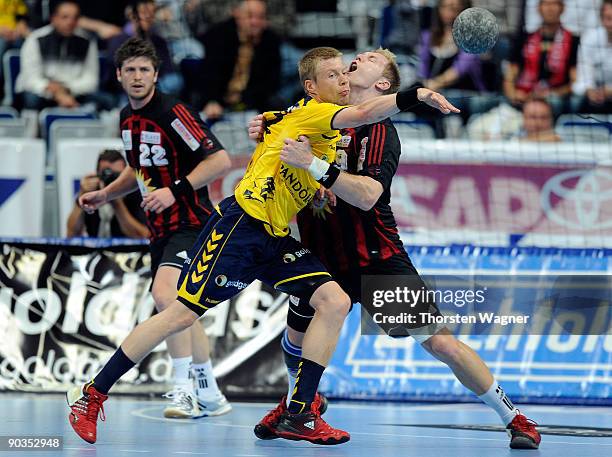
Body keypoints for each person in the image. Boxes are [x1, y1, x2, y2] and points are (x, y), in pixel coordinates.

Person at [65, 45, 458, 445]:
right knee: (179, 315)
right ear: (313, 87)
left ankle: (301, 413)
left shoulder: (311, 127)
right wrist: (417, 95)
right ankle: (91, 394)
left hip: (273, 237)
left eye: (346, 73)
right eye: (334, 76)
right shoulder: (318, 111)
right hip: (240, 229)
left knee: (334, 301)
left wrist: (305, 173)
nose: (343, 80)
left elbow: (290, 143)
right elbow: (363, 112)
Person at [249, 49, 542, 450]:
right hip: (320, 255)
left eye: (368, 59)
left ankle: (515, 417)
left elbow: (368, 196)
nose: (357, 59)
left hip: (375, 259)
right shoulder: (317, 111)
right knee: (294, 341)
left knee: (439, 342)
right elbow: (278, 123)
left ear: (382, 85)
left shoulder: (380, 131)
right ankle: (301, 403)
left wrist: (315, 168)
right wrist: (263, 125)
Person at [68, 38, 232, 437]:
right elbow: (138, 167)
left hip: (192, 221)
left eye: (145, 70)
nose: (138, 77)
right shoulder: (126, 117)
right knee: (182, 307)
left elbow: (220, 160)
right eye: (131, 70)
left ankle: (182, 391)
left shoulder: (174, 112)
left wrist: (174, 191)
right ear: (120, 76)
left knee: (166, 297)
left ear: (156, 75)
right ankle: (209, 390)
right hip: (160, 229)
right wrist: (106, 194)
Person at [198, 0, 281, 120]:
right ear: (237, 14)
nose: (255, 22)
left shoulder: (271, 41)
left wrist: (247, 99)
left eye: (260, 17)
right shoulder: (218, 36)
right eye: (250, 16)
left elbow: (272, 82)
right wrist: (211, 100)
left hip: (253, 102)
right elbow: (208, 74)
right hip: (218, 101)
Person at [15, 1, 106, 110]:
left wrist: (67, 89)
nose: (70, 22)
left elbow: (91, 80)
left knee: (107, 100)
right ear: (54, 18)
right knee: (31, 100)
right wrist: (56, 94)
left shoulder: (87, 41)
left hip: (73, 91)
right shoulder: (35, 39)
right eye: (65, 17)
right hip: (42, 91)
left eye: (75, 18)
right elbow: (31, 79)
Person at [503, 0, 580, 115]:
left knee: (555, 102)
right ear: (539, 8)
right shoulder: (524, 38)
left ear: (562, 8)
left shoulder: (574, 41)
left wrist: (553, 93)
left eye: (554, 4)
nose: (550, 8)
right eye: (546, 4)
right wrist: (513, 93)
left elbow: (576, 82)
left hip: (554, 97)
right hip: (524, 94)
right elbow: (509, 76)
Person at [106, 0, 183, 98]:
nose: (148, 17)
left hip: (158, 87)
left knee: (175, 81)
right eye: (144, 12)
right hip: (127, 93)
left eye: (152, 13)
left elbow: (168, 72)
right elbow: (115, 77)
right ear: (131, 14)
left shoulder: (158, 41)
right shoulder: (118, 41)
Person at [66, 149, 150, 238]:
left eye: (117, 175)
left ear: (125, 175)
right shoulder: (93, 194)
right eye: (106, 174)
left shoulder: (135, 192)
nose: (111, 180)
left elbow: (143, 236)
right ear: (97, 174)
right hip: (95, 250)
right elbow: (71, 235)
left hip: (129, 251)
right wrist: (82, 196)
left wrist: (117, 202)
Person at [572, 0, 612, 113]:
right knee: (576, 101)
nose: (611, 24)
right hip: (593, 94)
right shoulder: (589, 38)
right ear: (601, 19)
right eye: (608, 18)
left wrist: (609, 91)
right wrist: (589, 91)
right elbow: (584, 75)